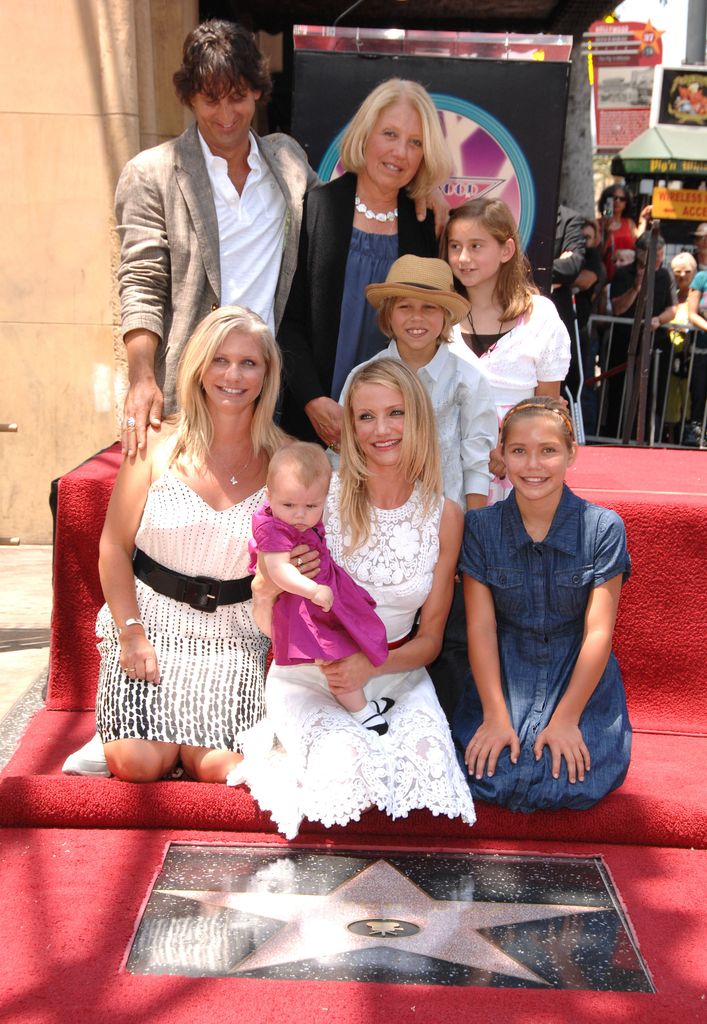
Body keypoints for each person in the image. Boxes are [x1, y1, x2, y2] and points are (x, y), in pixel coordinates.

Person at [231, 359, 476, 839]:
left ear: (419, 419)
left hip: (397, 674)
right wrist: (267, 585)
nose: (381, 429)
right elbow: (270, 620)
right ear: (350, 427)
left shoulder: (445, 515)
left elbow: (430, 640)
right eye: (365, 416)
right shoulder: (321, 496)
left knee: (426, 759)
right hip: (309, 675)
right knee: (345, 763)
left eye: (395, 413)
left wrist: (371, 667)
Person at [65, 307, 298, 782]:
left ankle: (187, 745)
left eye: (249, 363)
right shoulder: (153, 445)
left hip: (233, 639)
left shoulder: (285, 459)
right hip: (150, 626)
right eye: (219, 360)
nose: (233, 375)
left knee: (221, 769)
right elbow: (112, 548)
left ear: (267, 374)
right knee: (136, 764)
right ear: (198, 366)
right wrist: (130, 633)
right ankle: (123, 728)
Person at [116, 20, 318, 457]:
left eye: (238, 98)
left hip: (270, 392)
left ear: (258, 93)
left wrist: (422, 190)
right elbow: (141, 282)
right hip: (191, 390)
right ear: (189, 97)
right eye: (211, 100)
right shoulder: (152, 173)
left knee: (270, 522)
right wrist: (141, 378)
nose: (226, 115)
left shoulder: (287, 159)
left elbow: (340, 215)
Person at [454, 397, 632, 812]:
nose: (533, 465)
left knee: (577, 777)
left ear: (571, 453)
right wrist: (496, 716)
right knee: (493, 773)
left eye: (548, 450)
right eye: (519, 451)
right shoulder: (480, 528)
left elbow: (598, 631)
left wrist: (568, 718)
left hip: (577, 670)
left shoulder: (604, 528)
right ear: (501, 456)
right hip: (506, 666)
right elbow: (481, 628)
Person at [277, 78, 451, 446]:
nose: (400, 152)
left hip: (396, 432)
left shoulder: (425, 223)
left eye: (415, 142)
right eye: (390, 134)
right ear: (365, 134)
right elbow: (288, 320)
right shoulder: (316, 208)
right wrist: (312, 401)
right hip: (316, 426)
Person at [250, 442, 393, 734]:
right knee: (334, 654)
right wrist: (312, 591)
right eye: (288, 505)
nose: (299, 515)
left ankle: (358, 702)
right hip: (301, 605)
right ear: (269, 495)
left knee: (353, 638)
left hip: (323, 591)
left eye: (311, 506)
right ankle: (362, 712)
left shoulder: (298, 516)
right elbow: (278, 571)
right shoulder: (271, 528)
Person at [341, 255, 497, 511]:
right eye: (405, 307)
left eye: (429, 308)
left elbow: (477, 463)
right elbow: (345, 454)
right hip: (376, 517)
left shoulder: (468, 380)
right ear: (388, 314)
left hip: (446, 521)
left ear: (446, 317)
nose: (417, 317)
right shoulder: (362, 378)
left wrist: (475, 530)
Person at [443, 197, 571, 502]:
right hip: (448, 467)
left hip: (516, 471)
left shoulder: (540, 315)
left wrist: (506, 449)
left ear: (506, 250)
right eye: (455, 246)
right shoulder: (440, 315)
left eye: (476, 246)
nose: (463, 258)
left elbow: (547, 407)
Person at [608, 232, 677, 440]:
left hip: (655, 345)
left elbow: (673, 308)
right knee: (619, 393)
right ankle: (613, 436)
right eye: (653, 256)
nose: (658, 260)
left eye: (661, 255)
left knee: (650, 395)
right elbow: (617, 309)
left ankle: (648, 439)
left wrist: (659, 319)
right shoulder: (622, 274)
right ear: (640, 255)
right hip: (624, 343)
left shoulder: (666, 275)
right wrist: (636, 288)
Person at [686, 256, 707, 447]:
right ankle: (696, 432)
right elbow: (691, 313)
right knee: (699, 392)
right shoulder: (701, 277)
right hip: (702, 347)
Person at [598, 183, 637, 283]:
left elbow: (637, 246)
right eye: (613, 198)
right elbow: (598, 254)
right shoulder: (598, 224)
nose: (617, 201)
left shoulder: (629, 223)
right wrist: (606, 231)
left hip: (626, 276)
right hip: (604, 277)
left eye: (622, 199)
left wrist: (644, 220)